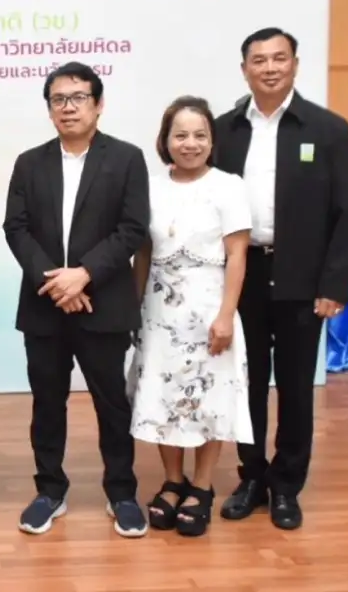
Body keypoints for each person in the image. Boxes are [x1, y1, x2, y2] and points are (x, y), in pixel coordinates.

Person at [213, 27, 348, 530]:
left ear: (295, 64)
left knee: (297, 387)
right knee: (246, 383)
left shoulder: (328, 129)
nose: (270, 68)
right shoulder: (225, 130)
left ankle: (286, 486)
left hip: (303, 276)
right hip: (243, 273)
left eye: (279, 58)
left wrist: (334, 285)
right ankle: (251, 477)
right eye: (259, 60)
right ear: (244, 70)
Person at [3, 61, 149, 538]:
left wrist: (84, 275)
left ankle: (122, 492)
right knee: (47, 403)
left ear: (98, 104)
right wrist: (57, 283)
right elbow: (16, 228)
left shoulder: (126, 158)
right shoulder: (29, 162)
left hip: (103, 303)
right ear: (49, 109)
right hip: (45, 305)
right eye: (59, 100)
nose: (68, 107)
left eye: (79, 97)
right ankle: (50, 491)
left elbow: (131, 228)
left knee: (112, 403)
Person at [128, 96, 253, 537]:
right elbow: (143, 253)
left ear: (212, 141)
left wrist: (226, 315)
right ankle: (172, 481)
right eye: (180, 135)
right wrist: (135, 307)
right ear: (165, 140)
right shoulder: (150, 187)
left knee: (209, 396)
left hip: (210, 308)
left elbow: (237, 255)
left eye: (200, 135)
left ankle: (201, 486)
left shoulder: (229, 186)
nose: (190, 143)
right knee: (162, 394)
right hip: (159, 309)